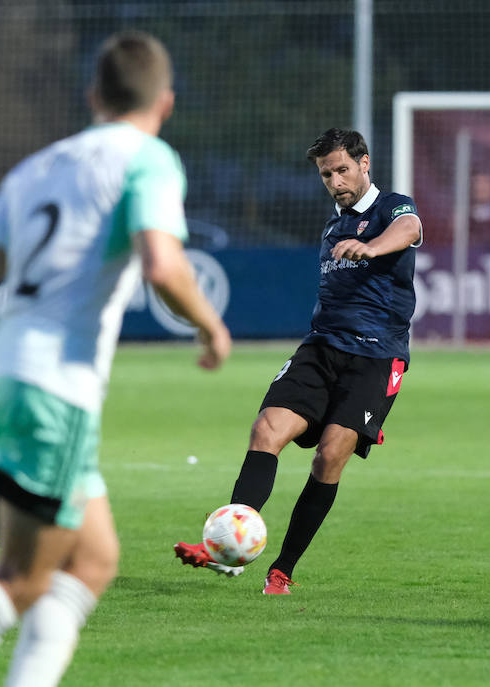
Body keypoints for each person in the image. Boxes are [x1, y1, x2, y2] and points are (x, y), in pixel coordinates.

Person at [0, 30, 230, 686]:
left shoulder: (36, 168)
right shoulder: (148, 159)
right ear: (165, 103)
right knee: (21, 578)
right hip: (55, 387)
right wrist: (210, 325)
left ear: (93, 94)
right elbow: (163, 265)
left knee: (93, 560)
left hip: (2, 372)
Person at [174, 127, 422, 595]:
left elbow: (410, 229)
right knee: (266, 430)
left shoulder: (393, 208)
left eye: (342, 170)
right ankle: (229, 552)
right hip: (321, 347)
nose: (335, 181)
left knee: (330, 455)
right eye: (326, 174)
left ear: (365, 163)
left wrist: (372, 247)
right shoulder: (332, 227)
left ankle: (282, 570)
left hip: (376, 356)